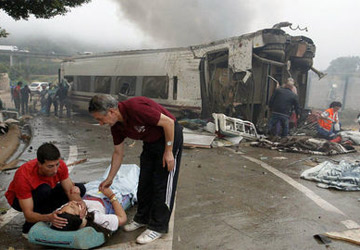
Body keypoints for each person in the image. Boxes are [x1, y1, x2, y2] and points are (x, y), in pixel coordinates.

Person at [88, 95, 183, 244]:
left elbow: (169, 122)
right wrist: (110, 179)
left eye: (100, 119)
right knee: (144, 180)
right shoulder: (117, 127)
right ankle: (142, 218)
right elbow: (118, 153)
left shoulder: (135, 108)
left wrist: (169, 151)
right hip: (150, 141)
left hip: (169, 136)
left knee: (162, 182)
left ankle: (158, 226)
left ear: (112, 111)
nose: (101, 123)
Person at [5, 143, 86, 237]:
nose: (55, 170)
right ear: (39, 164)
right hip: (18, 200)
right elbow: (28, 214)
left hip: (46, 191)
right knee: (44, 190)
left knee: (80, 188)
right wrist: (48, 217)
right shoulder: (24, 175)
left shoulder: (60, 166)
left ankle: (49, 215)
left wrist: (79, 203)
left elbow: (69, 190)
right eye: (50, 166)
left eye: (57, 164)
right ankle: (28, 228)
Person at [51, 186, 127, 240]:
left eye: (67, 204)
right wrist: (111, 196)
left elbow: (56, 214)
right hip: (106, 195)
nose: (72, 202)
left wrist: (76, 194)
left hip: (91, 190)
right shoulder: (96, 218)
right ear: (80, 216)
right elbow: (122, 219)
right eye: (72, 207)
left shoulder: (66, 212)